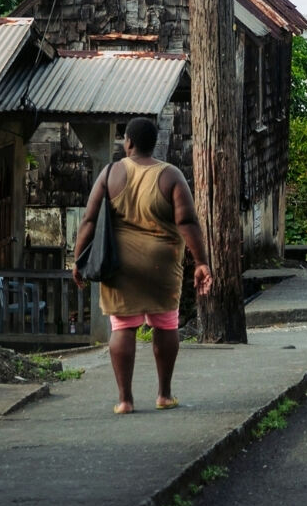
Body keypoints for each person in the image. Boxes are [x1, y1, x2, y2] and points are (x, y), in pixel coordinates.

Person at [72, 116, 212, 414]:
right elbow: (187, 221)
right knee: (165, 323)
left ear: (129, 143)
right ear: (154, 143)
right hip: (162, 263)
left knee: (123, 326)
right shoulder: (171, 175)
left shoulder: (110, 173)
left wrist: (78, 258)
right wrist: (201, 262)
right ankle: (164, 394)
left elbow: (89, 220)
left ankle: (125, 400)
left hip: (119, 264)